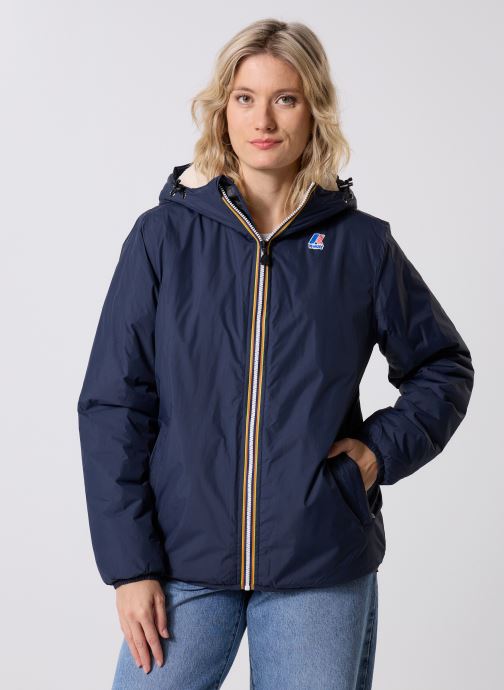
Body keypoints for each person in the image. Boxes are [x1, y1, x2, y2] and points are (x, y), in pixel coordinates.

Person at [76, 18, 474, 690]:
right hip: (180, 561)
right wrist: (130, 567)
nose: (263, 119)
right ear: (222, 110)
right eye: (245, 98)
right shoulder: (163, 238)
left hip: (318, 559)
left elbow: (443, 366)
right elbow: (115, 404)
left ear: (313, 111)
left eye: (285, 99)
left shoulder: (360, 246)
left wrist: (376, 453)